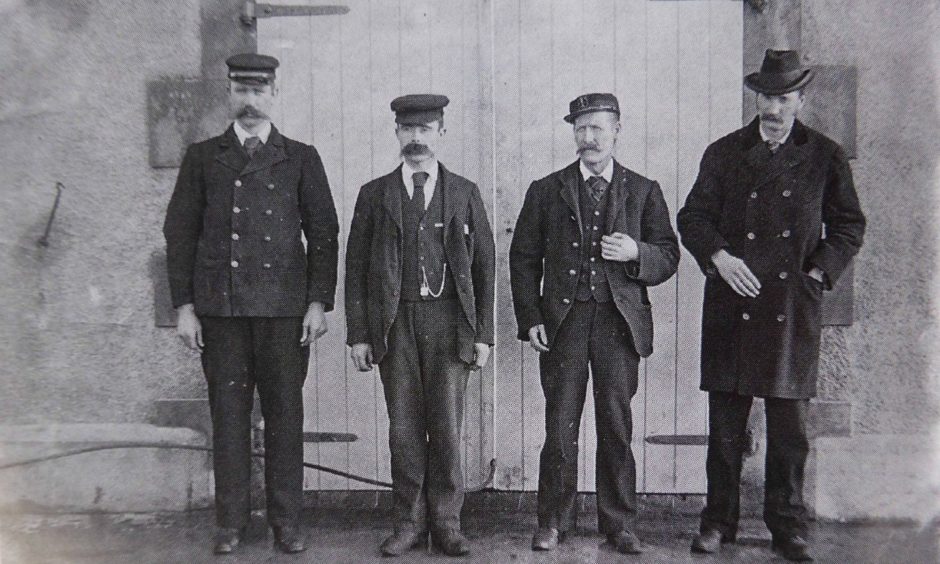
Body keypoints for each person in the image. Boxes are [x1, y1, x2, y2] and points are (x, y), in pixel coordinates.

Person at [677, 49, 866, 562]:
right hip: (731, 302)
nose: (773, 107)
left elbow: (850, 225)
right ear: (755, 98)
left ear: (800, 99)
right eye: (765, 96)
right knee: (725, 431)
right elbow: (692, 217)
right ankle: (718, 521)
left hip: (790, 306)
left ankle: (788, 526)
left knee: (789, 431)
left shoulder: (824, 155)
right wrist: (718, 255)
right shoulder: (723, 152)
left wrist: (815, 273)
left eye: (783, 97)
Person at [163, 53, 339, 555]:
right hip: (222, 313)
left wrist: (318, 303)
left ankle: (287, 522)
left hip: (284, 313)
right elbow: (179, 234)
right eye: (241, 90)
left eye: (259, 91)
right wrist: (184, 307)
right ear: (229, 94)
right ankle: (231, 522)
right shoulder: (202, 157)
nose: (250, 100)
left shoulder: (301, 156)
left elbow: (323, 233)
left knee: (286, 418)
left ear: (275, 93)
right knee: (229, 417)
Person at [509, 93, 679, 554]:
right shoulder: (546, 189)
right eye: (580, 129)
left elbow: (669, 254)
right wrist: (531, 319)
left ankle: (618, 522)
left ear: (617, 129)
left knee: (616, 423)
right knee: (560, 424)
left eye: (597, 128)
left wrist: (636, 254)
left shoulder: (644, 190)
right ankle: (552, 522)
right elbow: (523, 259)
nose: (588, 138)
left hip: (619, 324)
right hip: (563, 322)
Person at [344, 94, 496, 557]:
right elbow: (354, 269)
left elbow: (486, 267)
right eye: (407, 130)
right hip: (395, 325)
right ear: (396, 134)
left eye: (425, 129)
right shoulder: (375, 194)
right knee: (404, 428)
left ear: (442, 134)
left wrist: (483, 334)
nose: (416, 138)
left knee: (447, 427)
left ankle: (447, 523)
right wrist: (360, 334)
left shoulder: (465, 192)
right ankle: (408, 522)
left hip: (450, 324)